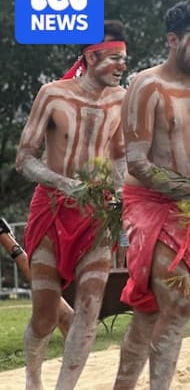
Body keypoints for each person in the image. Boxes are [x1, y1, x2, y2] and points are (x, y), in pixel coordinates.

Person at [113, 2, 190, 390]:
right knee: (180, 303)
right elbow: (136, 162)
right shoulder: (146, 86)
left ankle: (122, 386)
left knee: (150, 313)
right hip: (150, 205)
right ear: (172, 40)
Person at [15, 20, 128, 389]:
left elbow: (119, 156)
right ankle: (33, 378)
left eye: (124, 59)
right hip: (50, 209)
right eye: (115, 59)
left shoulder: (121, 99)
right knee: (46, 317)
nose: (122, 66)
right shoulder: (52, 94)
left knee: (90, 307)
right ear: (92, 56)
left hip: (96, 214)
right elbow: (25, 158)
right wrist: (62, 182)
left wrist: (122, 189)